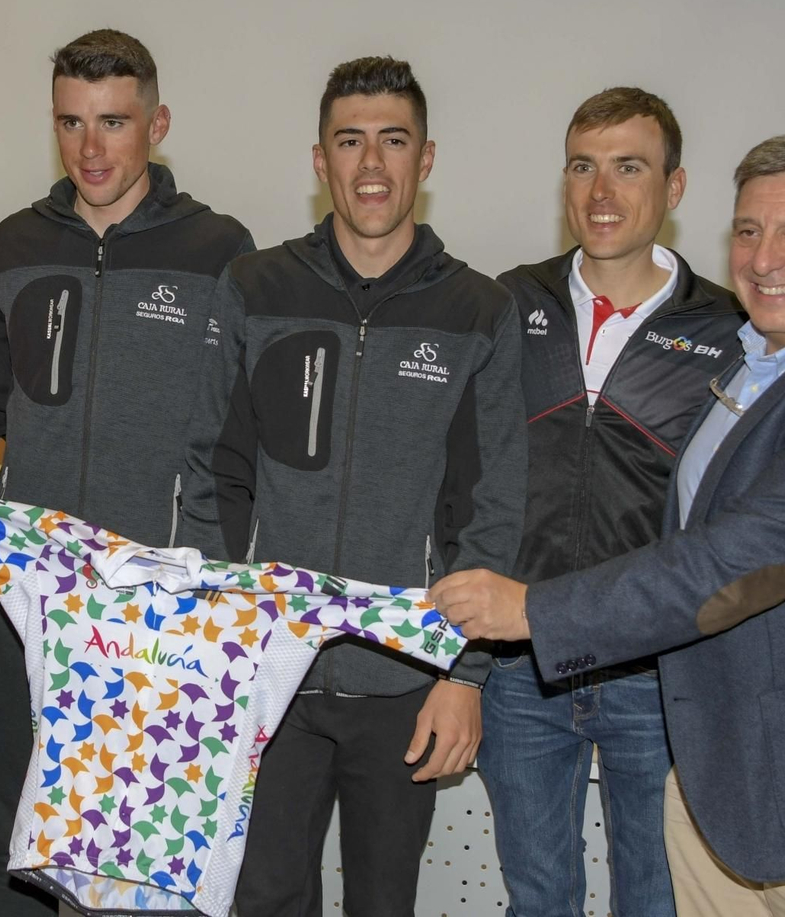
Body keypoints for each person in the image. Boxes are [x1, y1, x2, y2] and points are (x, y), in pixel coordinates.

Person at [435, 131, 785, 917]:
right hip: (728, 785)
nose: (766, 259)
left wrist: (531, 609)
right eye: (750, 232)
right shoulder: (755, 359)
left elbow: (737, 563)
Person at [176, 56, 527, 917]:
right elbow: (208, 473)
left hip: (406, 682)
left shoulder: (477, 311)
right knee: (260, 902)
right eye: (350, 141)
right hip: (270, 680)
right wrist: (224, 641)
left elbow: (494, 505)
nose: (371, 164)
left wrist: (466, 672)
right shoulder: (256, 287)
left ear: (427, 159)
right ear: (319, 159)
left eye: (393, 141)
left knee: (383, 905)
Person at [0, 28, 253, 916]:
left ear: (156, 123)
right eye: (71, 122)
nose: (91, 148)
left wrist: (206, 573)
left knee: (131, 856)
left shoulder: (221, 248)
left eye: (114, 122)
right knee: (14, 841)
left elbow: (240, 433)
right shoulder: (16, 241)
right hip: (26, 598)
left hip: (152, 611)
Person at [483, 87, 743, 916]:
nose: (602, 192)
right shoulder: (508, 301)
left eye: (629, 168)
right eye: (583, 167)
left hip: (659, 675)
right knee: (538, 899)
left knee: (655, 902)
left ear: (673, 188)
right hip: (521, 668)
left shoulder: (732, 330)